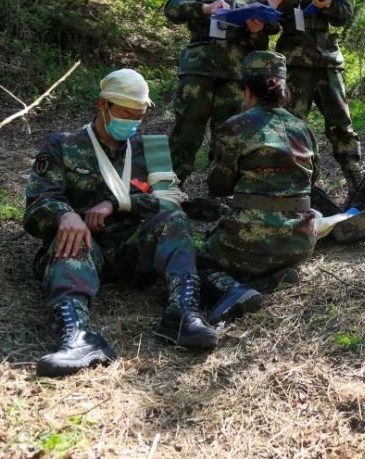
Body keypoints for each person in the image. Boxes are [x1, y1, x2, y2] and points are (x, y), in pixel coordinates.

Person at [24, 69, 236, 378]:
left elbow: (170, 198)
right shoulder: (63, 146)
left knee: (174, 219)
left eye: (138, 115)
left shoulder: (151, 150)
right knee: (68, 237)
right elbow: (37, 202)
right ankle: (79, 336)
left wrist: (118, 203)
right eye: (126, 113)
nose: (133, 122)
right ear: (103, 105)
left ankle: (182, 315)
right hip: (85, 248)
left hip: (132, 247)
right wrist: (64, 214)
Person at [198, 51, 320, 323]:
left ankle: (243, 286)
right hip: (300, 242)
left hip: (248, 241)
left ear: (248, 91)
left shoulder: (235, 126)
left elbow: (219, 185)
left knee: (193, 261)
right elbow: (313, 182)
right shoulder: (302, 127)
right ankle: (273, 276)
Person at [256, 0, 363, 193]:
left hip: (327, 58)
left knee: (341, 122)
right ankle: (298, 184)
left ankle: (355, 178)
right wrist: (270, 9)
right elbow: (264, 29)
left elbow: (344, 17)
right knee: (292, 125)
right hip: (293, 61)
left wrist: (329, 5)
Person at [164, 0, 275, 182]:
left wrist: (257, 31)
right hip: (198, 72)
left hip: (233, 76)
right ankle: (170, 187)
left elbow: (258, 45)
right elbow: (171, 9)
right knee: (186, 131)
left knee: (228, 135)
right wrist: (205, 8)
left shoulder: (249, 0)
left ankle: (220, 192)